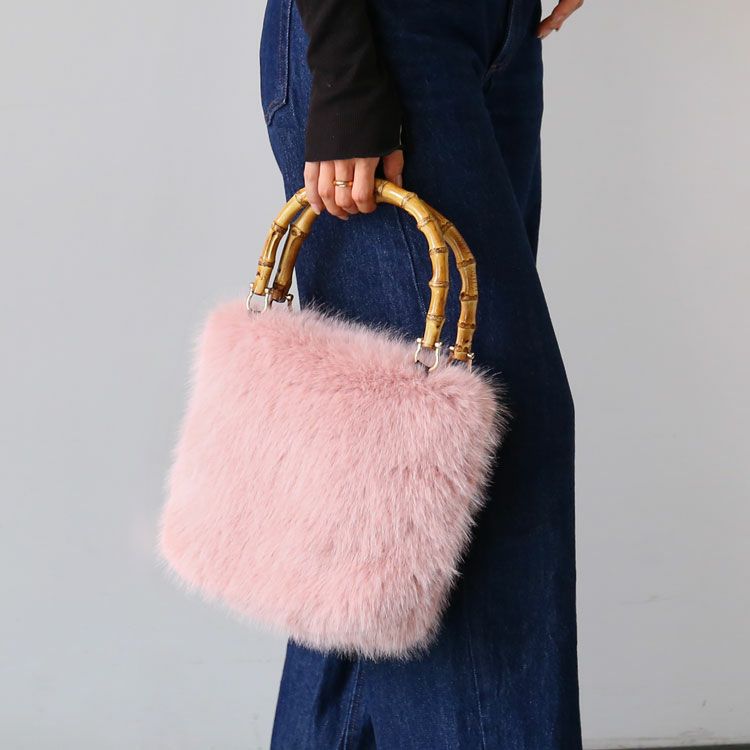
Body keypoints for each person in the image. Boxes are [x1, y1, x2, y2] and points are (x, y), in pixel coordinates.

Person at [259, 0, 585, 746]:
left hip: (499, 38)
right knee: (475, 442)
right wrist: (346, 76)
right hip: (382, 40)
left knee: (388, 480)